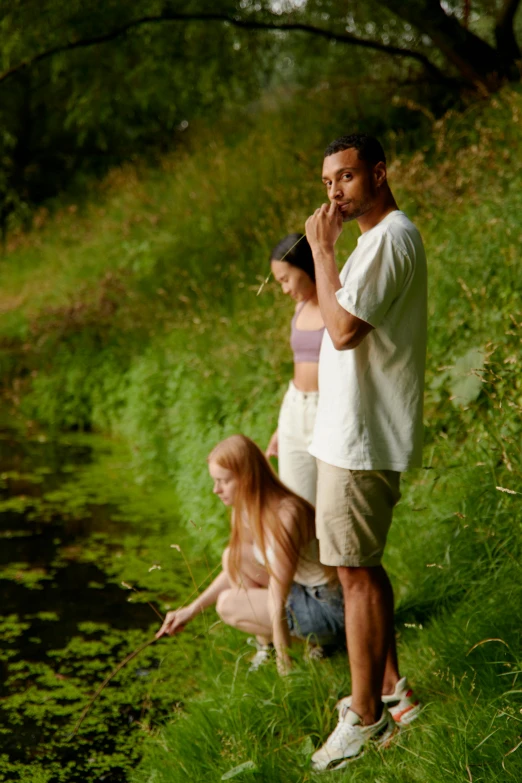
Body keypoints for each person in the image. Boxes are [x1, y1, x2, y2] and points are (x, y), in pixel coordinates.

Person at [304, 133, 426, 771]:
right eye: (328, 184)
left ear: (378, 174)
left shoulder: (391, 238)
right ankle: (389, 693)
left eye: (346, 178)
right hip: (345, 434)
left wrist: (321, 251)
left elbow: (344, 330)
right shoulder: (370, 244)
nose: (335, 193)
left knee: (353, 573)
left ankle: (366, 719)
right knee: (359, 569)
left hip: (363, 438)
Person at [156, 434, 344, 673]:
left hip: (328, 607)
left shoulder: (287, 514)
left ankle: (320, 644)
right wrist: (190, 610)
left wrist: (285, 670)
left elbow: (278, 594)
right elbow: (234, 566)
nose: (216, 490)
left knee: (227, 604)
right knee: (232, 557)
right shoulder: (245, 509)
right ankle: (269, 646)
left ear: (246, 478)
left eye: (223, 481)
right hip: (301, 591)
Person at [266, 234, 325, 506]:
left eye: (286, 279)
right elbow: (297, 367)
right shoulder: (300, 308)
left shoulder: (337, 305)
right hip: (294, 408)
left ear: (305, 267)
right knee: (294, 507)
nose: (284, 289)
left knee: (326, 509)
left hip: (327, 410)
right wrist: (283, 426)